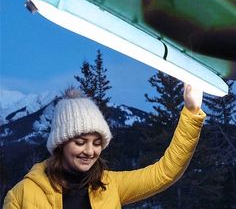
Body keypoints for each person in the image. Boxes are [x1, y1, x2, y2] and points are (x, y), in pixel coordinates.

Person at [3, 84, 206, 209]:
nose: (90, 151)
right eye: (80, 142)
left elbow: (165, 172)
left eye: (97, 143)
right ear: (61, 143)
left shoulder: (110, 186)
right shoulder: (22, 194)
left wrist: (191, 112)